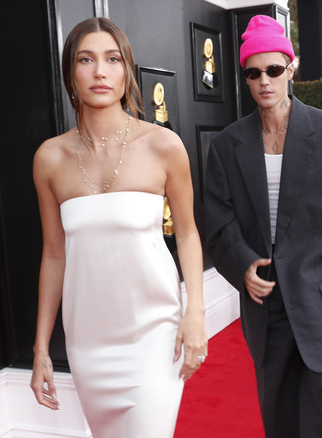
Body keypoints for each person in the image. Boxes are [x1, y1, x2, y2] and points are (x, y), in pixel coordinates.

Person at [205, 15, 322, 437]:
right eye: (254, 72)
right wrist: (243, 264)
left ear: (291, 67)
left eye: (273, 69)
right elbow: (218, 218)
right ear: (245, 78)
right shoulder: (227, 145)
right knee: (278, 419)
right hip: (265, 307)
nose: (264, 80)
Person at [29, 18, 207, 437]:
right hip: (88, 340)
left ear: (126, 70)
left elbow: (187, 233)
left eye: (112, 59)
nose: (100, 72)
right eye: (86, 60)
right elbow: (54, 255)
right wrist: (41, 347)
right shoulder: (49, 159)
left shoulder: (163, 145)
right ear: (71, 74)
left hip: (153, 333)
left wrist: (195, 312)